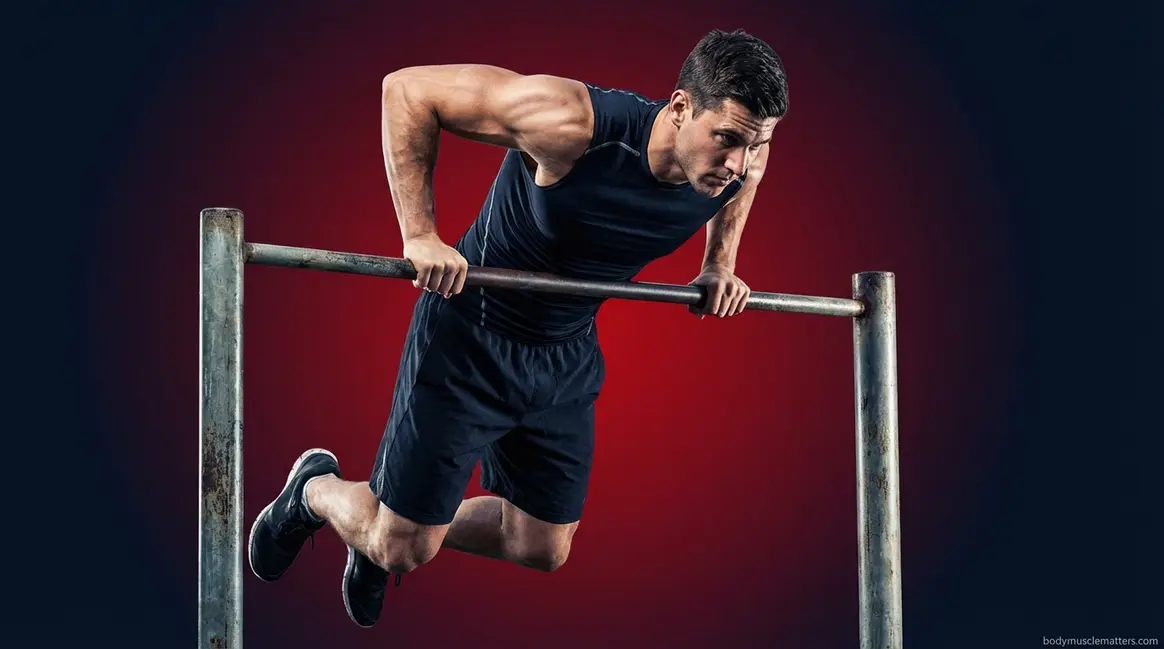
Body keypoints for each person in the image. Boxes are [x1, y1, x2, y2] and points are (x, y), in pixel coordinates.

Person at [246, 28, 789, 628]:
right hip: (472, 333)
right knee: (402, 547)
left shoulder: (743, 158)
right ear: (682, 107)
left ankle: (390, 521)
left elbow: (753, 173)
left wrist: (719, 265)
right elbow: (406, 91)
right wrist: (421, 234)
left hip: (566, 349)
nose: (739, 162)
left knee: (541, 546)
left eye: (754, 143)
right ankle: (316, 492)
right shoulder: (572, 124)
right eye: (728, 140)